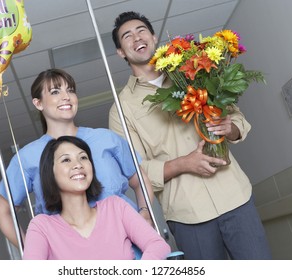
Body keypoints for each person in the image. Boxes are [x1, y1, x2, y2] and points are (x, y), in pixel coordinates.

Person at [108, 11, 272, 260]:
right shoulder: (121, 109)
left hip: (235, 197)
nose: (136, 38)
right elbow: (134, 173)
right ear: (121, 51)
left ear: (153, 36)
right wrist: (183, 164)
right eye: (127, 36)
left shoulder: (193, 71)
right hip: (187, 216)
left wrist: (230, 127)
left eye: (141, 30)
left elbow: (236, 117)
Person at [0, 68, 155, 249]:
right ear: (38, 103)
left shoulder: (106, 139)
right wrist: (33, 251)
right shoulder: (26, 158)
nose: (66, 96)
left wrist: (145, 214)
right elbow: (4, 212)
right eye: (55, 92)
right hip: (72, 254)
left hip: (130, 247)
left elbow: (140, 181)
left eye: (70, 90)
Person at [23, 136, 170, 260]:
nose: (78, 165)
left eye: (83, 157)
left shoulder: (115, 207)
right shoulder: (41, 226)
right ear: (50, 172)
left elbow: (157, 245)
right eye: (66, 160)